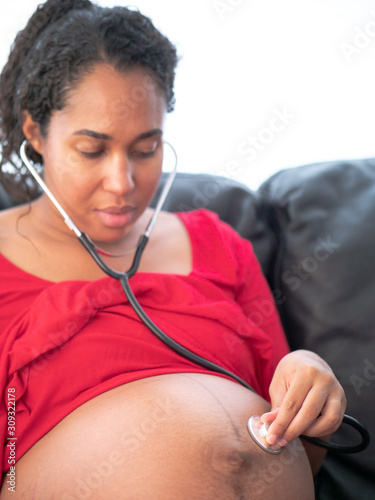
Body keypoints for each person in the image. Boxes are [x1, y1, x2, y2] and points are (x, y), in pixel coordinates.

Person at [0, 0, 346, 498]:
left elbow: (302, 457)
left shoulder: (220, 245)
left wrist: (311, 393)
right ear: (36, 132)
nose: (122, 182)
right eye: (92, 150)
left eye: (145, 149)